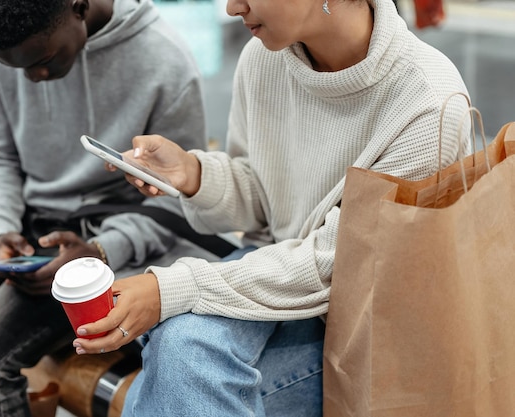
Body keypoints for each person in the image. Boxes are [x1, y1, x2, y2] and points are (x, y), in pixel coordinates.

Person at [72, 0, 472, 415]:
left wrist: (173, 289)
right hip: (283, 276)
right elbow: (266, 199)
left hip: (369, 326)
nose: (231, 8)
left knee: (179, 360)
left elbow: (339, 265)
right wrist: (192, 174)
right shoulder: (265, 57)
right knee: (180, 350)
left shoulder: (428, 101)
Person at [0, 0, 214, 415]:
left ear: (78, 7)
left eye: (42, 60)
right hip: (22, 219)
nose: (34, 77)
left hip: (107, 240)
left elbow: (179, 204)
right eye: (15, 68)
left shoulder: (164, 61)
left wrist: (101, 250)